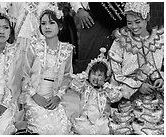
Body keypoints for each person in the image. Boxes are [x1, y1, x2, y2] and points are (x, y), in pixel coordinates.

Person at [108, 2, 164, 135]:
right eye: (129, 23)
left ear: (147, 17)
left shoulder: (160, 40)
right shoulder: (120, 41)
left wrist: (162, 80)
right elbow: (116, 74)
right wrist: (137, 86)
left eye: (138, 22)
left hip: (156, 100)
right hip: (129, 99)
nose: (134, 27)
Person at [18, 3, 73, 135]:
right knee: (43, 128)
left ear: (60, 26)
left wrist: (57, 97)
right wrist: (34, 96)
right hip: (34, 98)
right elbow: (24, 74)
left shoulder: (67, 50)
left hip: (54, 99)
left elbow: (67, 76)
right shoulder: (34, 47)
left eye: (51, 23)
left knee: (61, 129)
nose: (47, 27)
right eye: (43, 23)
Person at [69, 48, 123, 135]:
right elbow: (74, 85)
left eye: (99, 75)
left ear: (105, 78)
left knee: (106, 129)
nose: (96, 77)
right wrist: (86, 72)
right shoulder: (85, 87)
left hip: (101, 121)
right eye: (93, 74)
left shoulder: (106, 89)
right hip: (85, 120)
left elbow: (116, 96)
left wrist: (105, 86)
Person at [71, 2, 126, 73]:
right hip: (90, 19)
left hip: (117, 22)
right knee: (88, 62)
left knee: (112, 61)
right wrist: (79, 9)